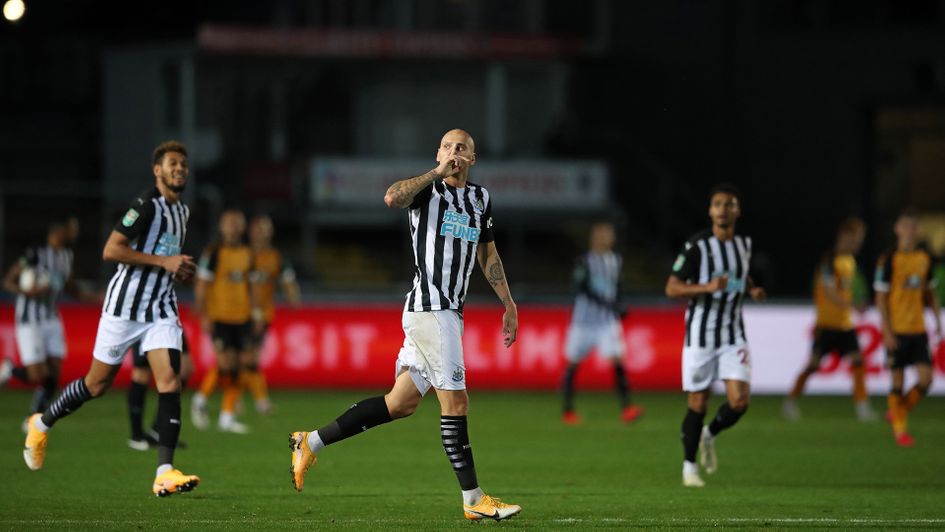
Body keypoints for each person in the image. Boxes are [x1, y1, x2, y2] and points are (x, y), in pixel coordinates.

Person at [288, 129, 521, 521]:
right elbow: (392, 196)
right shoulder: (427, 191)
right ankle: (473, 499)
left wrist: (509, 303)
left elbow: (488, 253)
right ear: (438, 154)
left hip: (448, 313)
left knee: (400, 404)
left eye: (461, 148)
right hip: (432, 309)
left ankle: (309, 441)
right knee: (457, 402)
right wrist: (434, 172)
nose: (454, 152)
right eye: (447, 147)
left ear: (473, 159)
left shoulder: (480, 199)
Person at [22, 140, 200, 497]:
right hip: (124, 307)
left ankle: (164, 472)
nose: (179, 168)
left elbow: (163, 256)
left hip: (161, 306)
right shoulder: (144, 206)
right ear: (157, 170)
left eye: (183, 164)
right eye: (172, 164)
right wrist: (164, 262)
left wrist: (177, 269)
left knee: (170, 381)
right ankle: (41, 423)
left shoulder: (183, 212)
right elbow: (111, 249)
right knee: (96, 385)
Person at [665, 184, 766, 488]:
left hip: (733, 333)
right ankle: (689, 466)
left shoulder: (744, 244)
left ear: (737, 211)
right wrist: (706, 288)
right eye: (718, 204)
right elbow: (671, 287)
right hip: (700, 334)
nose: (723, 209)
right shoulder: (696, 247)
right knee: (698, 401)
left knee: (740, 402)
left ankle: (710, 434)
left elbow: (741, 273)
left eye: (729, 204)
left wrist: (751, 289)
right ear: (710, 211)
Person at [0, 219, 99, 430]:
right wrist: (29, 292)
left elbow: (73, 289)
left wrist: (97, 298)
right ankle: (10, 370)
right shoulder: (35, 253)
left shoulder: (66, 256)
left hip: (52, 317)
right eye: (70, 228)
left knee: (54, 370)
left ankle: (34, 417)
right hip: (30, 318)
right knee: (37, 373)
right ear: (58, 231)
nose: (74, 232)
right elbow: (8, 281)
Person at [783, 217, 876, 421]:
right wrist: (852, 305)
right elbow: (830, 292)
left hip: (845, 325)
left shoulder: (850, 263)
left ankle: (862, 407)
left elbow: (848, 291)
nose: (857, 243)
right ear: (844, 237)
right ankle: (790, 401)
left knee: (858, 362)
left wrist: (857, 303)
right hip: (826, 324)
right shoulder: (829, 261)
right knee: (813, 365)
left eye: (859, 239)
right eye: (855, 239)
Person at [560, 221, 643, 425]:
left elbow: (618, 287)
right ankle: (568, 410)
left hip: (607, 322)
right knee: (572, 363)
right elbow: (581, 287)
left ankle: (627, 408)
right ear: (593, 238)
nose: (606, 238)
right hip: (584, 322)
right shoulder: (584, 260)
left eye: (608, 234)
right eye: (602, 234)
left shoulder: (616, 261)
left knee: (617, 360)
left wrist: (619, 305)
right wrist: (610, 304)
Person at [874, 209, 941, 447]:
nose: (910, 231)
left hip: (918, 329)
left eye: (913, 227)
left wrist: (938, 320)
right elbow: (880, 297)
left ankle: (899, 410)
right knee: (897, 381)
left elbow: (930, 293)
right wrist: (886, 330)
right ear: (897, 229)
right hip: (897, 329)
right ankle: (900, 432)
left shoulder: (924, 259)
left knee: (926, 379)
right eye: (906, 226)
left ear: (918, 231)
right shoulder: (889, 259)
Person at [191, 209, 260, 433]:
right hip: (220, 315)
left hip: (242, 317)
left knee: (241, 364)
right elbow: (202, 283)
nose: (233, 227)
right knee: (225, 364)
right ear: (222, 227)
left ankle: (227, 417)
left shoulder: (248, 253)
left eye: (237, 223)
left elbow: (251, 285)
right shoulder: (214, 252)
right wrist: (204, 314)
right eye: (229, 223)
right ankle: (200, 399)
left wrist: (256, 312)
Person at [245, 214, 301, 414]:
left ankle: (247, 400)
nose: (259, 233)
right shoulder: (242, 254)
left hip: (262, 314)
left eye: (263, 229)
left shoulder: (276, 257)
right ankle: (251, 400)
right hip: (239, 313)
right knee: (242, 359)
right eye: (257, 229)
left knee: (249, 358)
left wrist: (293, 298)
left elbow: (287, 280)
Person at [125, 334, 194, 450]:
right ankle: (136, 436)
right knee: (142, 372)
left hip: (170, 322)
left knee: (185, 370)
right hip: (146, 322)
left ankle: (157, 430)